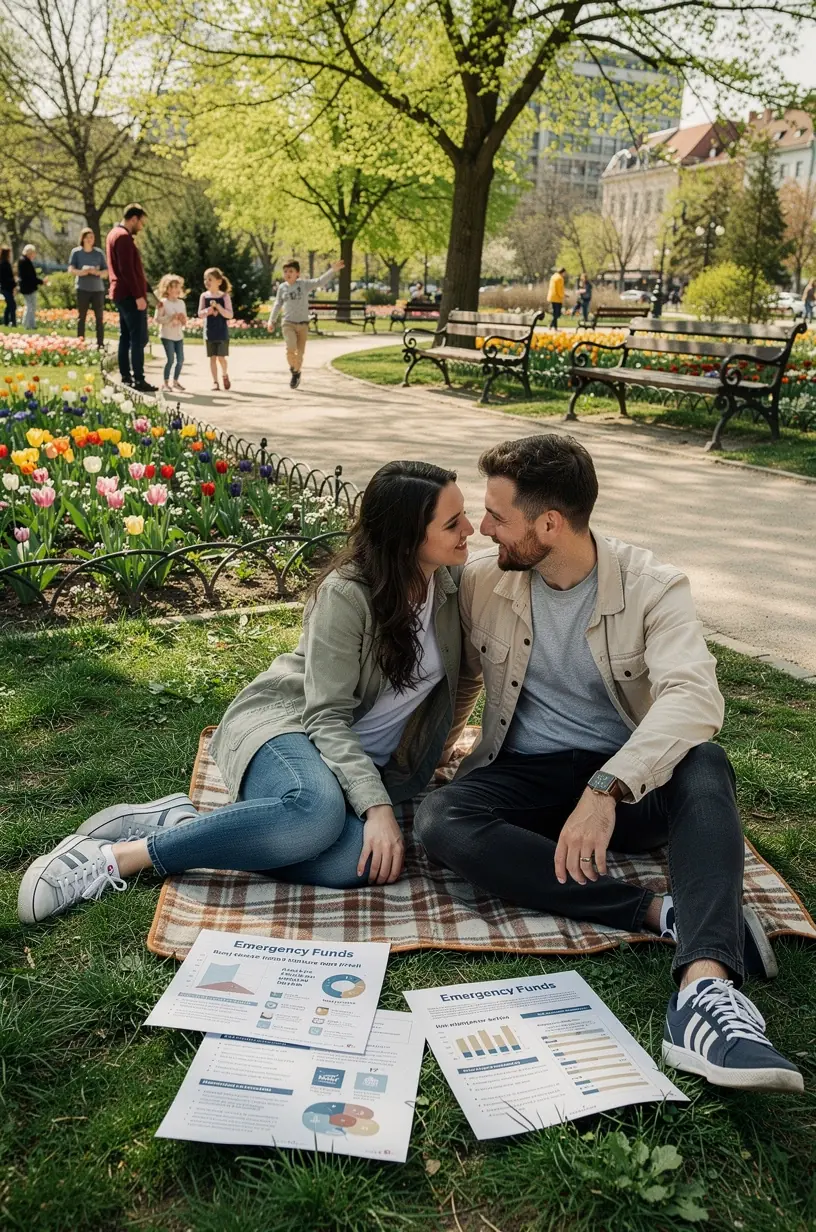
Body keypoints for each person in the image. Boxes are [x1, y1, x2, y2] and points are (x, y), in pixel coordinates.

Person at [415, 434, 803, 1095]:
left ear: (550, 524)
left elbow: (693, 697)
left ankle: (704, 993)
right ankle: (662, 913)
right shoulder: (486, 582)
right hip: (530, 777)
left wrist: (607, 786)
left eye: (497, 516)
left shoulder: (653, 588)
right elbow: (468, 680)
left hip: (628, 788)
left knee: (705, 762)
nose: (483, 529)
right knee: (440, 818)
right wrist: (433, 760)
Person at [18, 461, 474, 923]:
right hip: (292, 725)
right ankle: (120, 857)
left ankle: (184, 823)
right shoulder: (347, 595)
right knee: (315, 814)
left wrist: (442, 746)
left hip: (361, 761)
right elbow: (326, 716)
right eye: (453, 523)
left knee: (362, 862)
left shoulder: (455, 585)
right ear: (405, 537)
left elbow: (463, 680)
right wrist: (376, 807)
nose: (469, 530)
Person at [267, 258, 344, 389]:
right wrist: (271, 320)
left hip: (303, 325)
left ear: (298, 273)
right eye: (285, 271)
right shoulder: (282, 287)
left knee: (300, 354)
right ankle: (294, 369)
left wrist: (333, 270)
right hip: (288, 323)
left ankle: (296, 373)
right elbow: (277, 303)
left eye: (291, 271)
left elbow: (319, 281)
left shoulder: (303, 285)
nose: (287, 274)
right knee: (291, 349)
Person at [106, 204, 156, 393]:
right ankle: (139, 378)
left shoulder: (113, 234)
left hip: (120, 292)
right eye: (141, 222)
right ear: (133, 219)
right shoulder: (124, 237)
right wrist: (138, 295)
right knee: (137, 338)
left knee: (126, 336)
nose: (141, 227)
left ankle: (126, 376)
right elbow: (127, 270)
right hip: (129, 294)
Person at [68, 228, 108, 348]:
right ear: (83, 239)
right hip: (82, 288)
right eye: (88, 237)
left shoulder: (99, 253)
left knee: (99, 317)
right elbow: (71, 270)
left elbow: (106, 272)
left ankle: (100, 343)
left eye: (92, 237)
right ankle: (80, 341)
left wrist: (96, 272)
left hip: (97, 289)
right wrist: (82, 272)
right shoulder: (76, 252)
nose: (91, 240)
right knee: (82, 316)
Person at [199, 268, 234, 391]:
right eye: (205, 279)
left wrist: (219, 307)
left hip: (221, 332)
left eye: (210, 279)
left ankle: (224, 375)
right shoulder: (204, 296)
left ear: (218, 281)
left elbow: (230, 315)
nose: (206, 282)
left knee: (221, 358)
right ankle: (215, 382)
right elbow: (200, 313)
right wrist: (208, 311)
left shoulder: (224, 297)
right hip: (209, 332)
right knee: (212, 358)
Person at [154, 274, 188, 391]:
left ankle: (175, 381)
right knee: (171, 359)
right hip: (167, 335)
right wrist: (170, 318)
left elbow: (184, 321)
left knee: (181, 359)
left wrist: (182, 319)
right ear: (167, 289)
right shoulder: (163, 303)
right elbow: (157, 319)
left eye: (178, 287)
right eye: (173, 287)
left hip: (178, 335)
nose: (176, 290)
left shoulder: (181, 303)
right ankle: (166, 383)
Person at [17, 245, 44, 330]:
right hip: (28, 288)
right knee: (30, 306)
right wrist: (41, 281)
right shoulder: (25, 262)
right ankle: (28, 325)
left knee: (30, 306)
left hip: (26, 287)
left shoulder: (23, 261)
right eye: (33, 253)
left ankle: (28, 324)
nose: (34, 255)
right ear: (29, 253)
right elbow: (30, 277)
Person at [0, 247, 17, 326]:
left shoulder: (5, 263)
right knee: (12, 305)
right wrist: (14, 282)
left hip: (7, 288)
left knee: (9, 306)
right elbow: (6, 277)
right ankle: (13, 323)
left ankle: (6, 322)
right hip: (6, 288)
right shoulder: (4, 264)